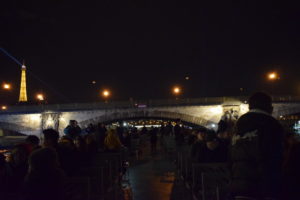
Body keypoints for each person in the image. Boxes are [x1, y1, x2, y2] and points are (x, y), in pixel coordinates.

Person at [230, 92, 284, 199]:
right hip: (263, 185)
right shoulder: (272, 124)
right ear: (269, 107)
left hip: (238, 183)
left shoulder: (239, 123)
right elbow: (277, 156)